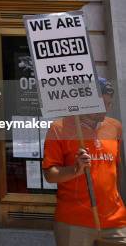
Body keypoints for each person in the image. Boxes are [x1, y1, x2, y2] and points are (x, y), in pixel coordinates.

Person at [43, 78, 126, 246]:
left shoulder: (115, 127)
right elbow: (50, 175)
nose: (104, 111)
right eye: (100, 105)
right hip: (74, 222)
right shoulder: (58, 128)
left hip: (115, 221)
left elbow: (118, 170)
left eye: (108, 105)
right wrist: (75, 170)